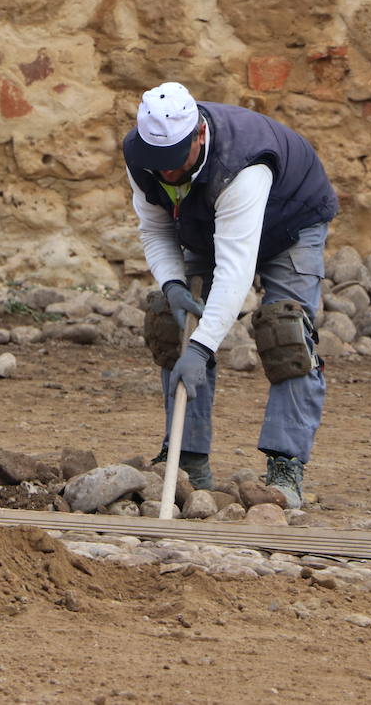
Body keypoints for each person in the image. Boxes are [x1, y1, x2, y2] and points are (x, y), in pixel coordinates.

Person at [122, 81, 339, 507]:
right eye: (157, 163)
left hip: (290, 219)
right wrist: (173, 285)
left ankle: (285, 465)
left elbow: (235, 269)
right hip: (203, 221)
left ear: (199, 135)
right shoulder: (142, 156)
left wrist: (201, 349)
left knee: (286, 330)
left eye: (174, 161)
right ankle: (188, 459)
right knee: (173, 324)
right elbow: (156, 228)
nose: (166, 174)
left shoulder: (242, 165)